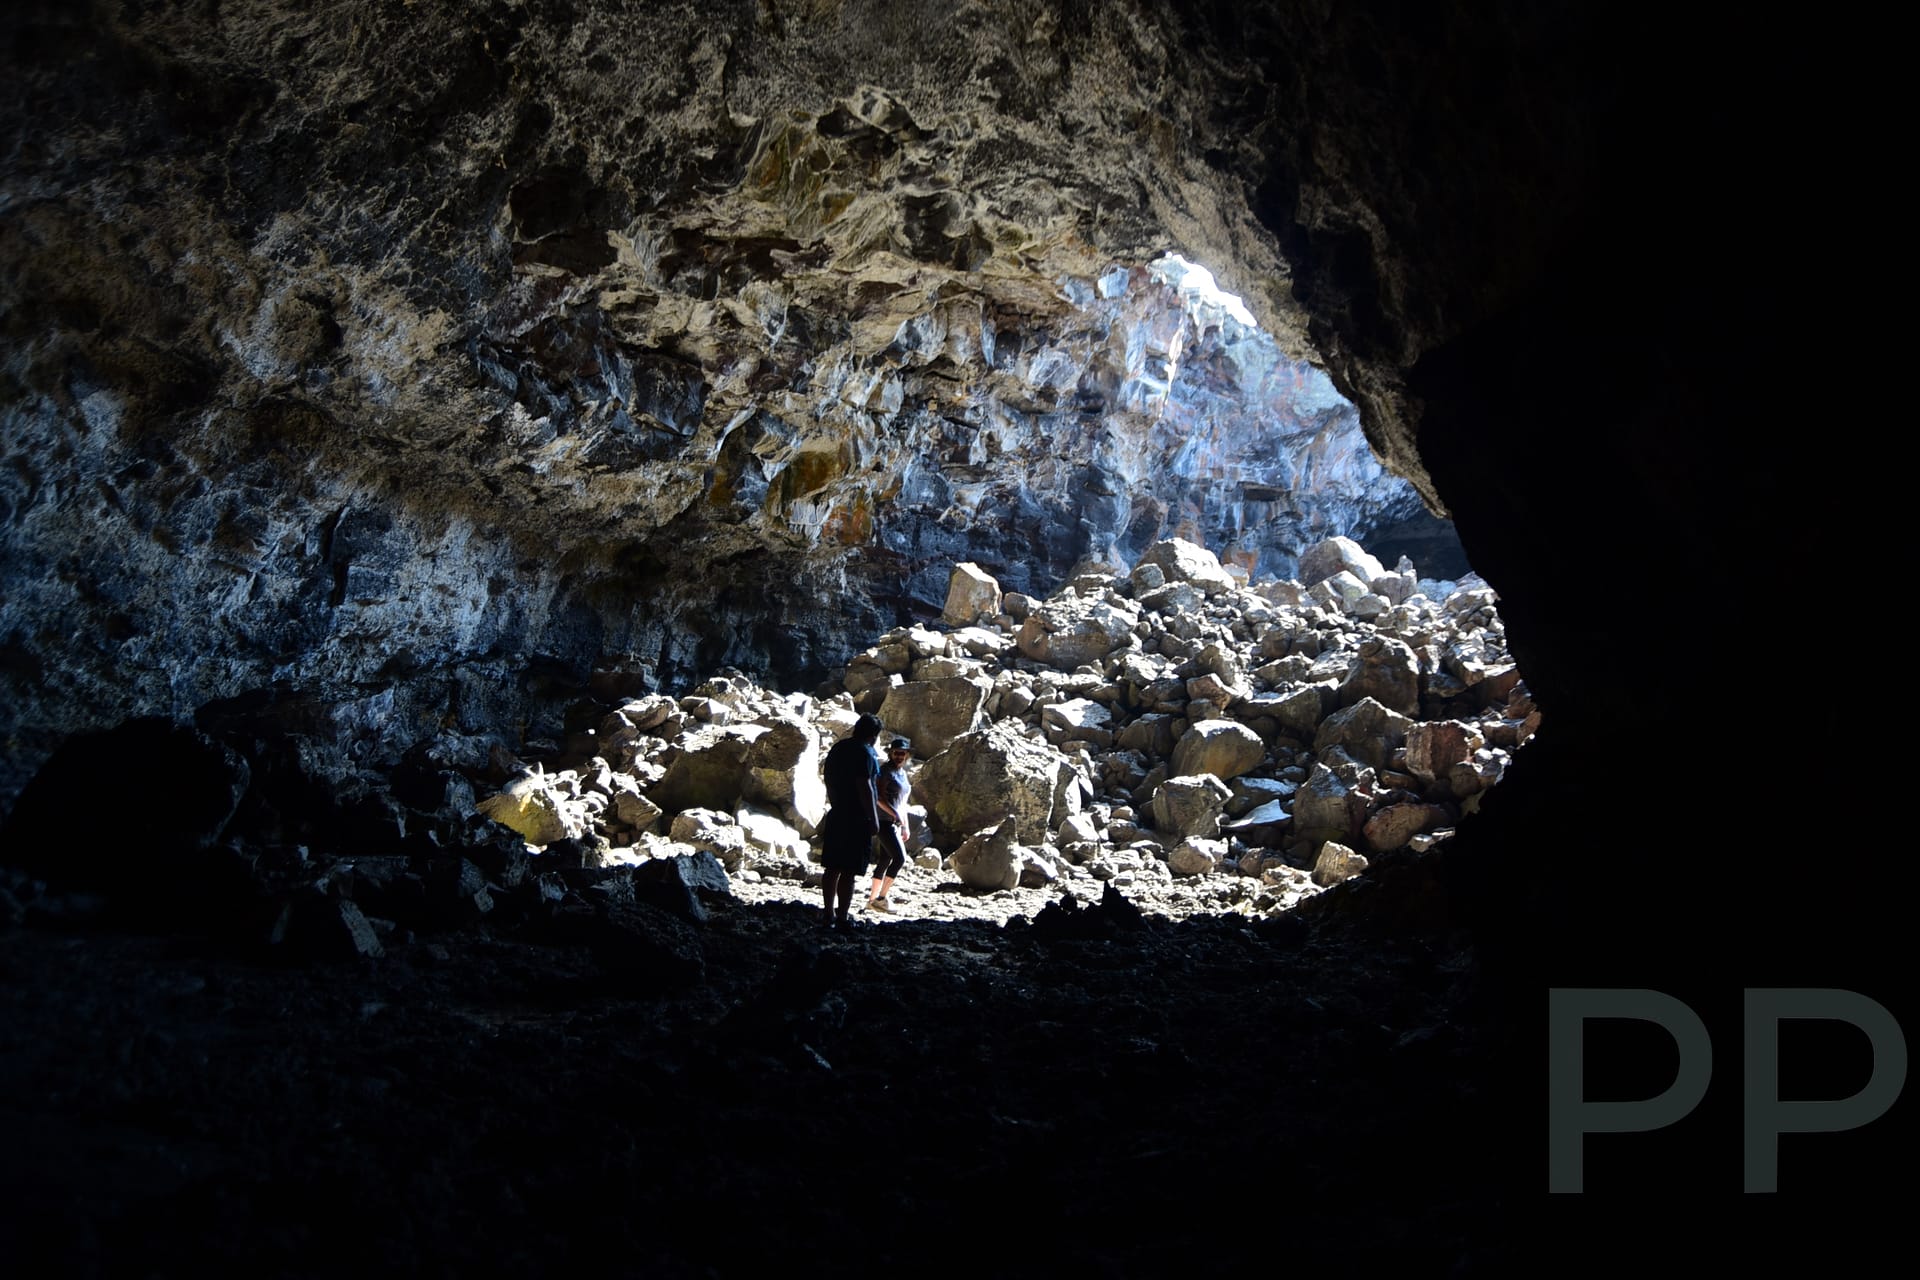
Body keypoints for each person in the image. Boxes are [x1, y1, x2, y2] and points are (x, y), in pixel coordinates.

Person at [818, 713, 884, 929]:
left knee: (832, 867)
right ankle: (843, 917)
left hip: (837, 812)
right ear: (874, 735)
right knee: (848, 870)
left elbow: (827, 776)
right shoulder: (866, 753)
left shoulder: (838, 748)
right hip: (856, 817)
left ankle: (828, 913)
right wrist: (873, 819)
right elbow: (865, 786)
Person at [866, 738, 913, 912]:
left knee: (885, 860)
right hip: (885, 822)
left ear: (907, 755)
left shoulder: (903, 773)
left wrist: (905, 825)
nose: (900, 756)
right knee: (899, 858)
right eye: (896, 753)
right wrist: (895, 815)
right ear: (890, 753)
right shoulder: (885, 771)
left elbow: (903, 802)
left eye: (902, 753)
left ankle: (871, 901)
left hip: (895, 822)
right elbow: (878, 798)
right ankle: (882, 898)